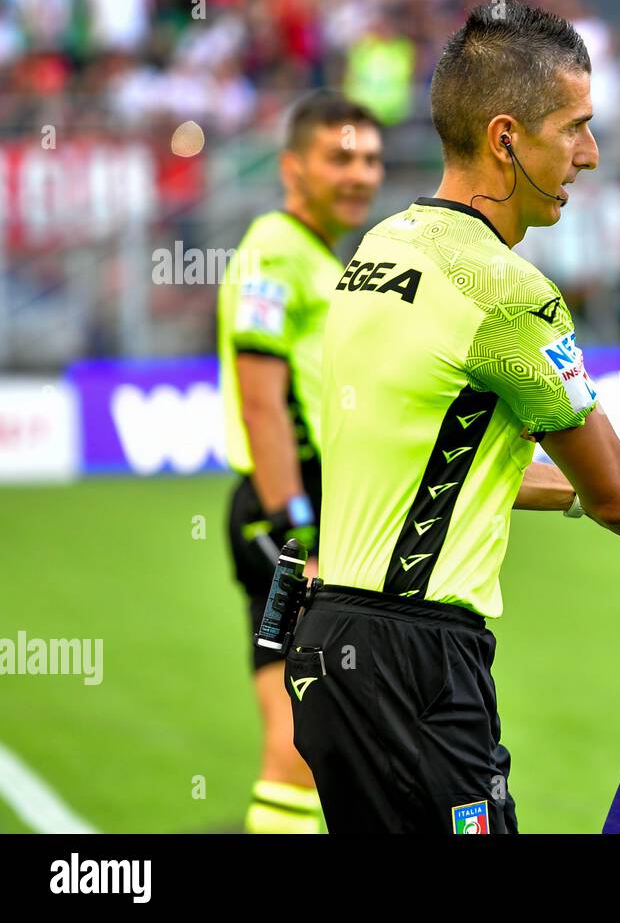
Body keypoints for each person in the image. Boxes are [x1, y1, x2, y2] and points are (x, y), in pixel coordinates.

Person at [287, 0, 620, 834]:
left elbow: (441, 468)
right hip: (418, 661)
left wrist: (609, 489)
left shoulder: (380, 251)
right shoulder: (507, 291)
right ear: (507, 137)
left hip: (329, 646)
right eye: (576, 129)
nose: (589, 155)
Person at [216, 89, 383, 833]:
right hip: (292, 515)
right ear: (293, 167)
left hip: (307, 513)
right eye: (339, 157)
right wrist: (299, 534)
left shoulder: (316, 257)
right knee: (303, 745)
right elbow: (262, 399)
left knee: (309, 739)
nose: (359, 174)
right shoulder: (275, 249)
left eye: (372, 159)